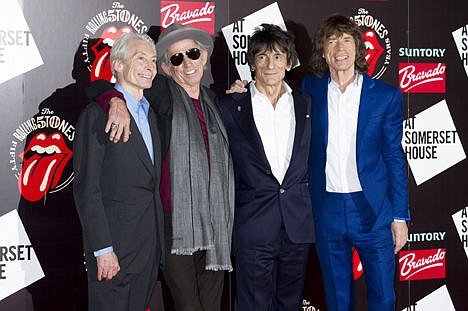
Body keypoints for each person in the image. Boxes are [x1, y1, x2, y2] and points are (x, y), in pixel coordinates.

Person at [87, 24, 234, 311]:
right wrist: (113, 100)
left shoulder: (217, 103)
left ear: (204, 57)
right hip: (174, 226)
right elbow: (104, 85)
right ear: (167, 68)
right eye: (176, 58)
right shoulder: (163, 97)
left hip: (216, 226)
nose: (187, 63)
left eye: (192, 54)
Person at [301, 14, 410, 310]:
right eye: (332, 40)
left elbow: (393, 156)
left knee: (383, 298)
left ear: (358, 48)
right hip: (327, 210)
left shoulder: (386, 96)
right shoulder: (308, 91)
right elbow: (271, 95)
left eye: (346, 40)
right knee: (336, 300)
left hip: (372, 210)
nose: (339, 48)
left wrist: (399, 215)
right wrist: (242, 90)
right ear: (323, 50)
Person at [219, 24, 315, 311]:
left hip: (297, 226)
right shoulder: (230, 106)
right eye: (261, 57)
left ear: (289, 62)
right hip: (253, 225)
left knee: (290, 304)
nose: (269, 64)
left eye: (276, 56)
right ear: (252, 64)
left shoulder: (306, 102)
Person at [73, 32, 164, 311]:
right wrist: (102, 249)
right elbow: (87, 189)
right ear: (119, 65)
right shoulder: (98, 115)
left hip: (147, 248)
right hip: (113, 252)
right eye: (141, 59)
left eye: (153, 60)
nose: (151, 66)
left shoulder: (151, 113)